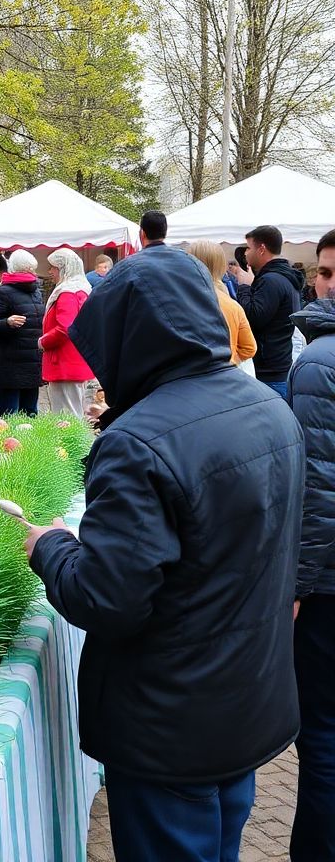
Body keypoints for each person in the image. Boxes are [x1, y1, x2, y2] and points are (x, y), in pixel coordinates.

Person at [23, 246, 303, 862]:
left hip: (170, 721)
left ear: (132, 334)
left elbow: (107, 596)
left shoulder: (138, 442)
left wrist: (50, 548)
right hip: (244, 700)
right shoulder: (270, 408)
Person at [287, 228, 335, 861]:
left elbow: (319, 491)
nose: (326, 286)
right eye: (324, 274)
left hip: (327, 586)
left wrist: (294, 584)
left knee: (323, 736)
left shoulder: (321, 363)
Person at [233, 225, 304, 396]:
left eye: (249, 247)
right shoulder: (284, 277)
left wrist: (244, 287)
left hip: (269, 373)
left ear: (262, 249)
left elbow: (252, 318)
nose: (245, 253)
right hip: (279, 365)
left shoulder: (270, 281)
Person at [0, 249, 44, 416]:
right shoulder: (3, 292)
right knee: (13, 414)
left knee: (28, 414)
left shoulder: (36, 292)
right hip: (11, 366)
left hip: (30, 363)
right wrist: (6, 322)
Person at [38, 248, 94, 416]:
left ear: (63, 268)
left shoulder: (68, 293)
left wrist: (43, 341)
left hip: (64, 362)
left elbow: (65, 328)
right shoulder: (81, 290)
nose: (50, 272)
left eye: (53, 268)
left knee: (65, 417)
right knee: (72, 414)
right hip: (74, 360)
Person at [187, 241, 256, 368]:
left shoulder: (179, 301)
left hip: (188, 378)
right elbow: (249, 348)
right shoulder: (231, 305)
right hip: (224, 377)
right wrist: (228, 362)